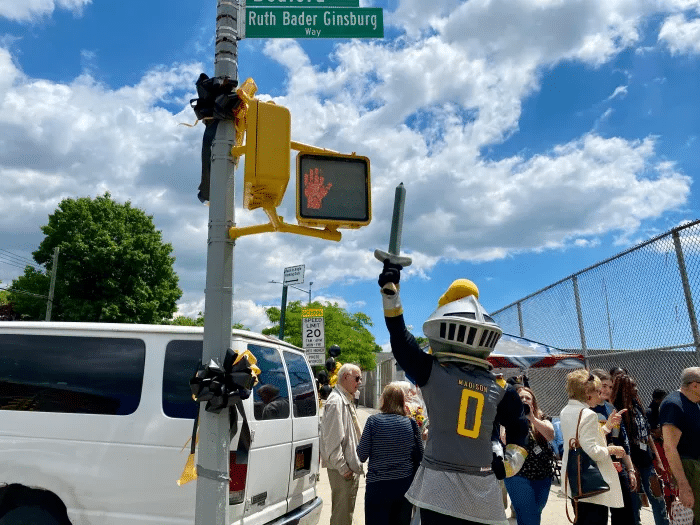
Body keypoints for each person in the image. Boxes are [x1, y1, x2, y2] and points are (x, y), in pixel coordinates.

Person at [378, 265, 530, 525]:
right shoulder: (498, 386)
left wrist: (391, 296)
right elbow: (520, 424)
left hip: (439, 485)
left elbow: (402, 341)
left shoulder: (433, 372)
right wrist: (510, 464)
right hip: (480, 486)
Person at [560, 369, 626, 525]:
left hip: (575, 478)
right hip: (591, 484)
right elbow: (593, 451)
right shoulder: (588, 414)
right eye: (597, 391)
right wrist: (613, 450)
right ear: (586, 393)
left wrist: (607, 427)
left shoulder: (566, 410)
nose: (601, 394)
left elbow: (582, 439)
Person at [356, 382, 424, 525]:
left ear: (384, 400)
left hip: (377, 487)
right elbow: (420, 457)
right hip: (403, 487)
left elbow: (362, 455)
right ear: (402, 401)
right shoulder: (411, 424)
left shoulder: (373, 422)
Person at [611, 374, 669, 525]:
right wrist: (630, 466)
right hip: (632, 464)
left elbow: (648, 434)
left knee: (658, 500)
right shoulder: (618, 411)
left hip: (647, 462)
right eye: (632, 386)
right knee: (635, 506)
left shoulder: (638, 406)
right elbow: (618, 439)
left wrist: (658, 459)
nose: (636, 389)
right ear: (623, 390)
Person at [590, 369, 638, 525]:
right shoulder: (585, 410)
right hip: (596, 470)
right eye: (604, 385)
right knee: (597, 516)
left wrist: (630, 469)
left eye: (610, 387)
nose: (607, 390)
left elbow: (622, 441)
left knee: (626, 515)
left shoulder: (611, 408)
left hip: (617, 467)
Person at [320, 363, 365, 525]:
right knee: (342, 517)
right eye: (357, 378)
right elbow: (331, 440)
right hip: (343, 470)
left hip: (347, 467)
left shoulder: (344, 398)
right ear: (345, 377)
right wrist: (343, 468)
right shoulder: (336, 402)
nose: (359, 382)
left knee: (346, 513)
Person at [503, 386, 556, 525]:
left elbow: (550, 435)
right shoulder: (508, 417)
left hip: (542, 476)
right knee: (528, 515)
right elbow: (504, 439)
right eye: (521, 398)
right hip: (517, 475)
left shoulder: (542, 418)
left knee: (534, 513)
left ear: (533, 402)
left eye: (528, 398)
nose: (524, 400)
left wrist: (532, 418)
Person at [659, 366, 700, 524]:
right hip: (688, 467)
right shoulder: (674, 405)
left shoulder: (694, 403)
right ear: (694, 385)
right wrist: (683, 485)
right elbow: (669, 448)